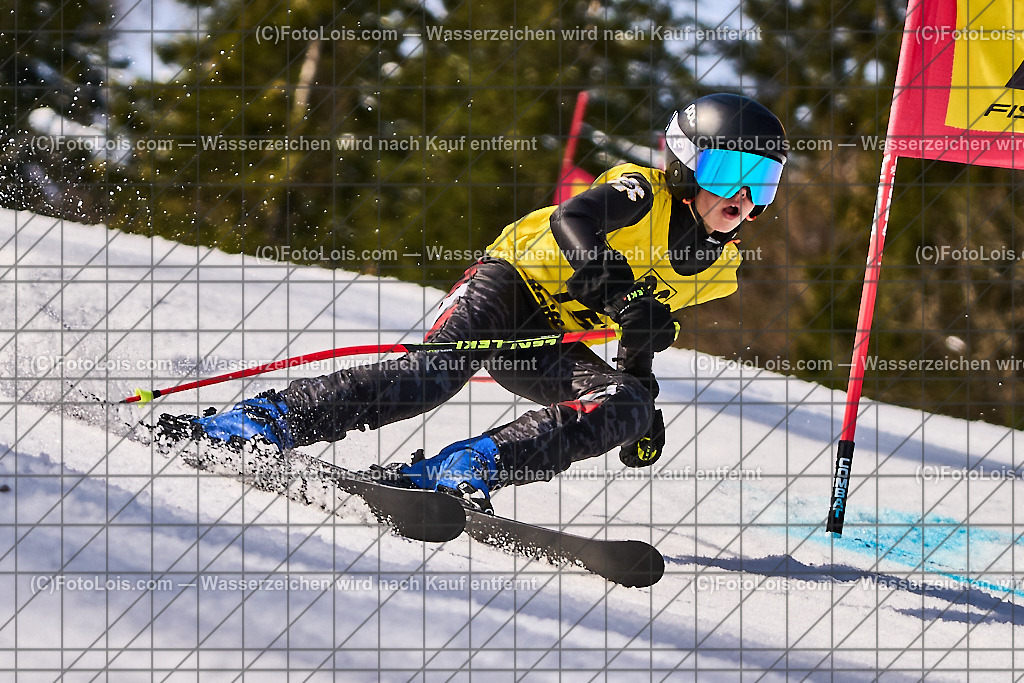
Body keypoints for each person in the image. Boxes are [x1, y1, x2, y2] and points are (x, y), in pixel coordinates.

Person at [167, 93, 788, 513]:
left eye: (761, 181)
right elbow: (576, 220)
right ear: (684, 161)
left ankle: (462, 468)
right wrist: (614, 288)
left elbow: (639, 332)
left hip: (546, 340)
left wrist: (640, 387)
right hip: (509, 284)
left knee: (625, 403)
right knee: (434, 376)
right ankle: (259, 422)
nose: (742, 197)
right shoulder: (641, 193)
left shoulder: (720, 268)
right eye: (728, 171)